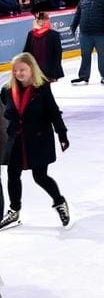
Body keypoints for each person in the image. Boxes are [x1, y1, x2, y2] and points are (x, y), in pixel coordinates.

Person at [0, 53, 70, 232]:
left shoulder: (42, 88)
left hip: (38, 139)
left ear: (32, 69)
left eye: (22, 70)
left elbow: (54, 112)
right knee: (12, 174)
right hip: (16, 139)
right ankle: (14, 210)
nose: (18, 73)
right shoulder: (7, 90)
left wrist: (62, 134)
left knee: (40, 176)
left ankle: (59, 202)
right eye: (15, 70)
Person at [22, 9, 64, 82]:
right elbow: (26, 51)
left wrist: (55, 71)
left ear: (47, 21)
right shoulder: (31, 34)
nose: (41, 22)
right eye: (39, 20)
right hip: (35, 73)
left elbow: (57, 54)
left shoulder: (54, 35)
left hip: (49, 73)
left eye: (44, 20)